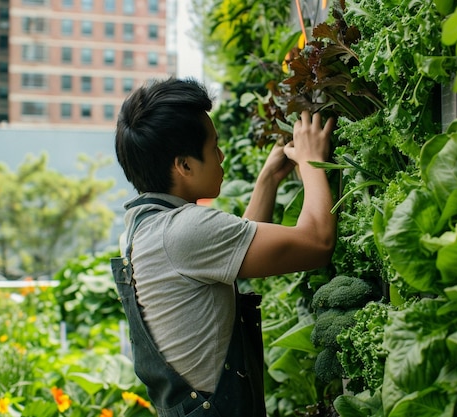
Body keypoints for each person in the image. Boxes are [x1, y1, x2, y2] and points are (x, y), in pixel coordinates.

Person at [112, 77, 336, 417]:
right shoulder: (182, 231)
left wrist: (268, 181)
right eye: (213, 147)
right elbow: (317, 242)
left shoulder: (141, 229)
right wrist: (310, 160)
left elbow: (229, 252)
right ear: (184, 165)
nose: (222, 155)